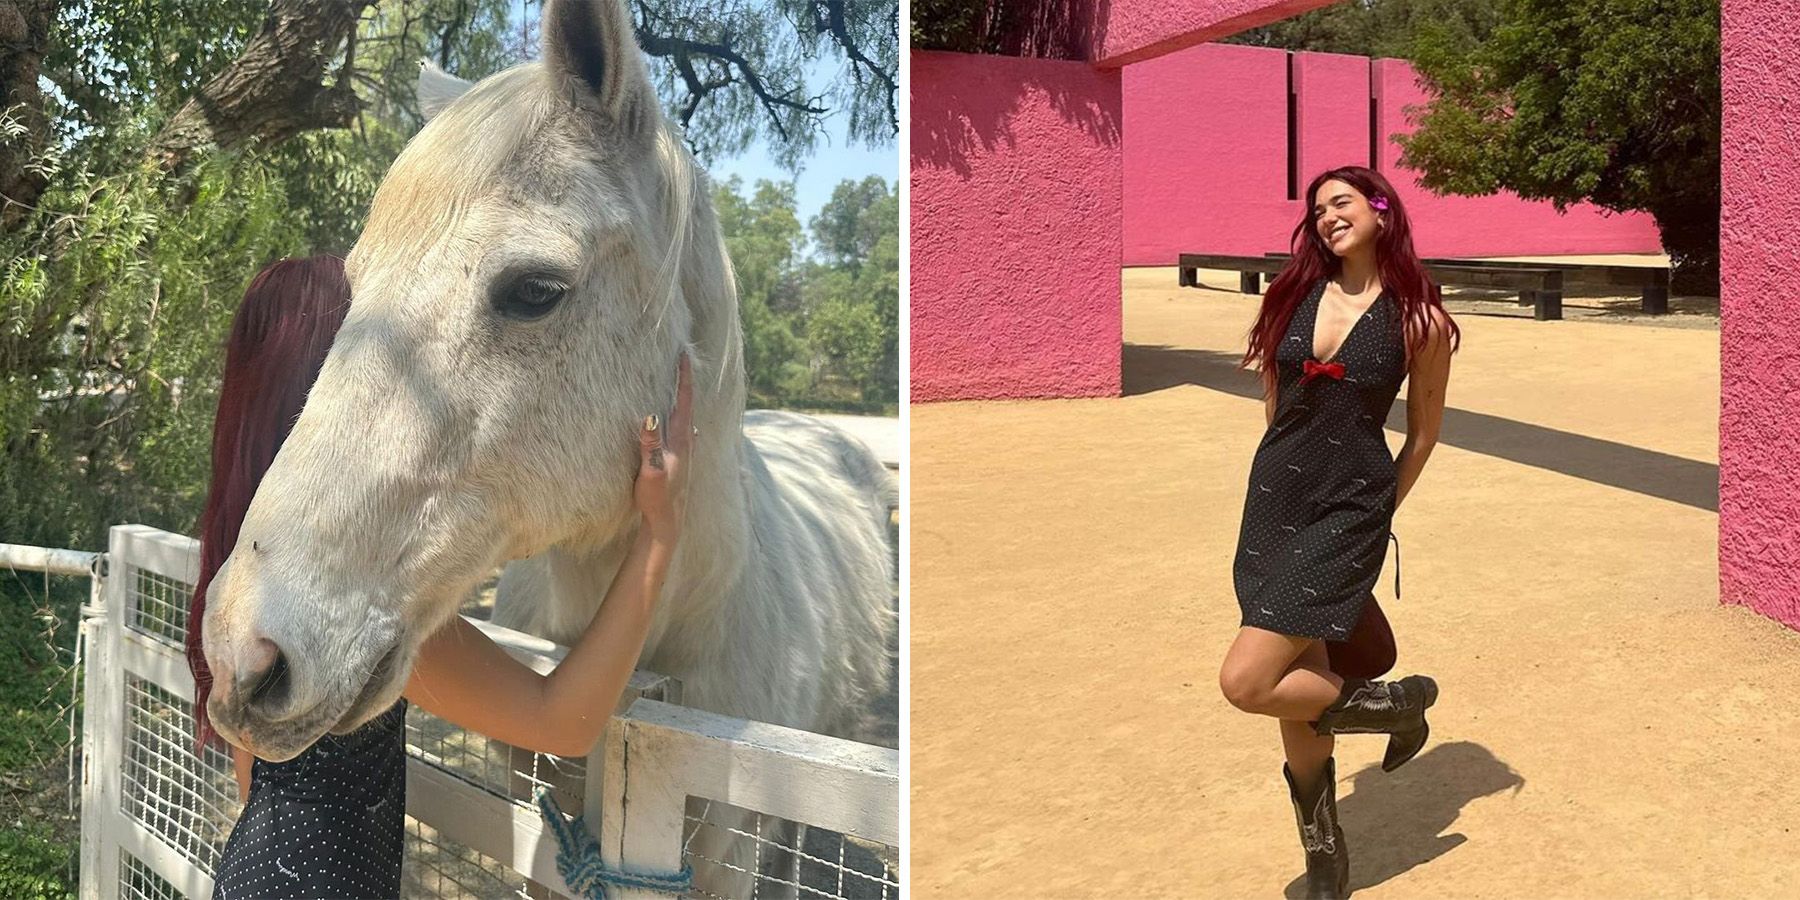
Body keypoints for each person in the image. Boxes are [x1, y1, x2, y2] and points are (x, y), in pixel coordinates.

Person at [182, 255, 695, 898]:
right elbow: (561, 722)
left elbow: (251, 777)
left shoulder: (242, 590)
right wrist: (659, 535)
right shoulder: (344, 608)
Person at [1221, 165, 1459, 899]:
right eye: (1317, 208)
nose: (1326, 217)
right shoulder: (1292, 294)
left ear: (1382, 210)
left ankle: (1397, 703)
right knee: (1306, 675)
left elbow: (1422, 435)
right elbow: (1276, 399)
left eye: (1342, 203)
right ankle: (1326, 856)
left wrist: (1380, 510)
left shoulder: (1419, 316)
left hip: (1351, 506)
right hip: (1275, 501)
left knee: (1248, 680)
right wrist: (1277, 479)